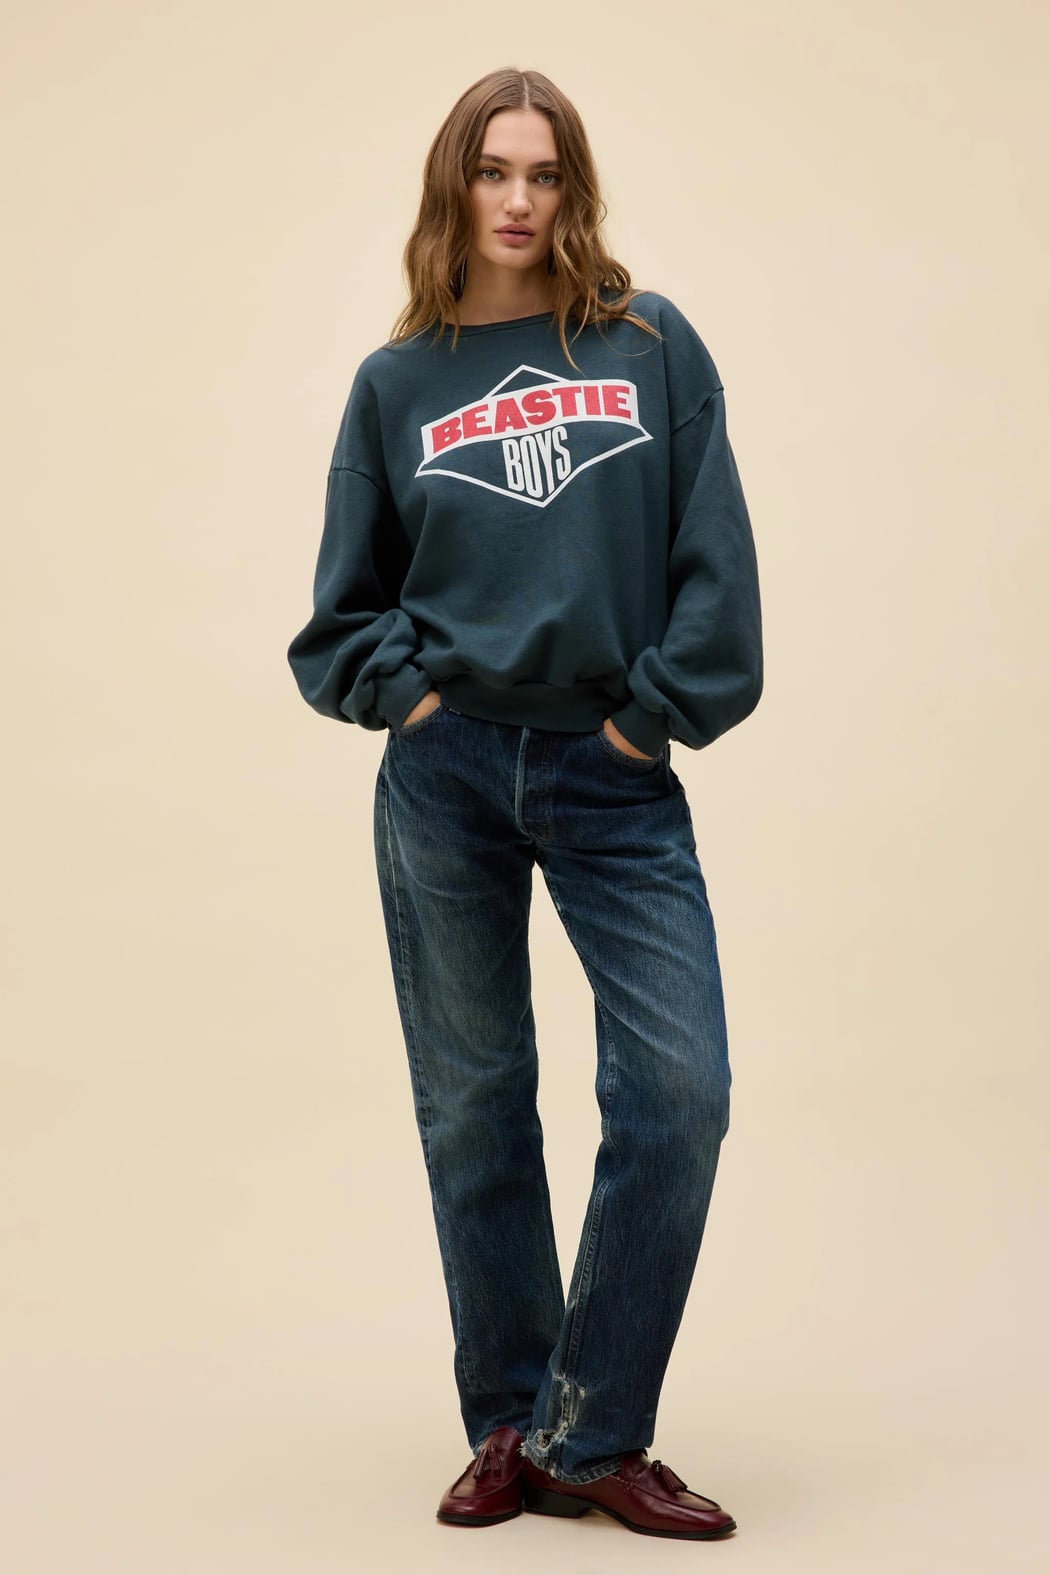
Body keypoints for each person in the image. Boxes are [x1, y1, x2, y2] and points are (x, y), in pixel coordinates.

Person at [287, 66, 763, 1542]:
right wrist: (412, 701)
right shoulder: (397, 383)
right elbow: (341, 612)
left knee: (679, 1094)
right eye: (492, 171)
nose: (516, 199)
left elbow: (714, 567)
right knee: (476, 1107)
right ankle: (508, 1424)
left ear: (574, 190)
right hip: (444, 773)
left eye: (543, 173)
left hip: (611, 772)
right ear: (454, 187)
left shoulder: (647, 345)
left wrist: (643, 726)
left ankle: (590, 1431)